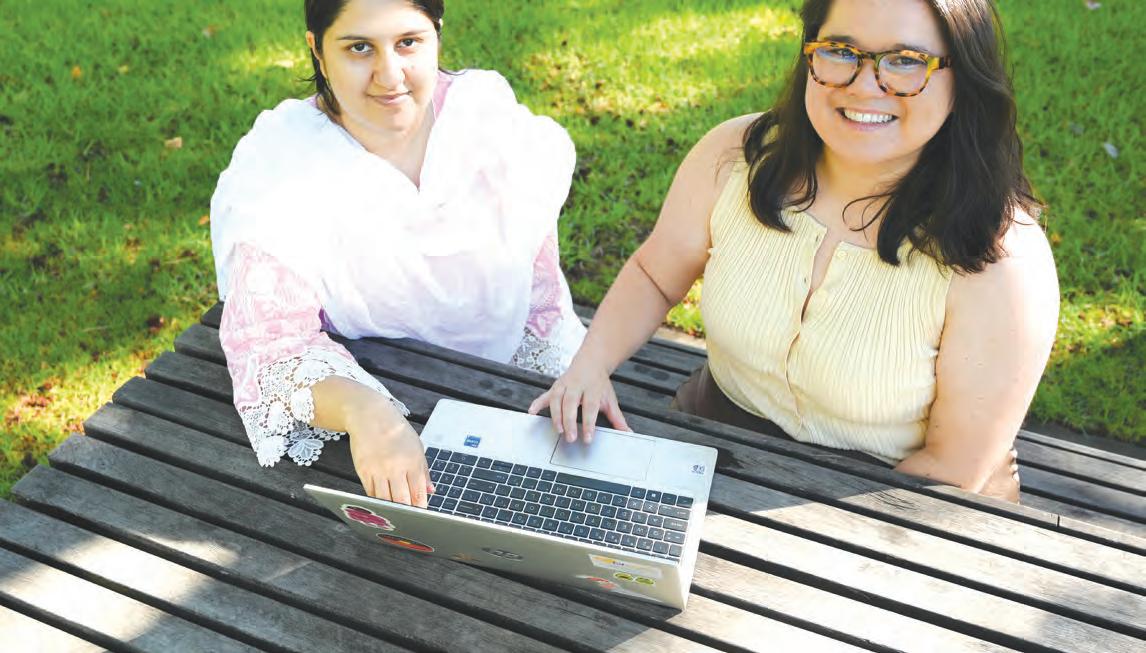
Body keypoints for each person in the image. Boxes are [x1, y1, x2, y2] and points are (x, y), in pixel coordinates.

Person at [530, 0, 1059, 503]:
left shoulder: (1002, 259)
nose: (864, 84)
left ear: (961, 79)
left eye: (905, 61)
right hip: (712, 444)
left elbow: (950, 469)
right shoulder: (734, 157)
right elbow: (654, 273)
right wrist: (590, 365)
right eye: (840, 51)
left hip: (889, 502)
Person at [210, 0, 585, 508]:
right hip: (375, 418)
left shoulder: (485, 120)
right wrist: (366, 412)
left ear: (436, 34)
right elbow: (269, 345)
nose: (390, 76)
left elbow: (540, 294)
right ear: (317, 50)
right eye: (359, 48)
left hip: (521, 400)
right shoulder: (284, 166)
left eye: (408, 42)